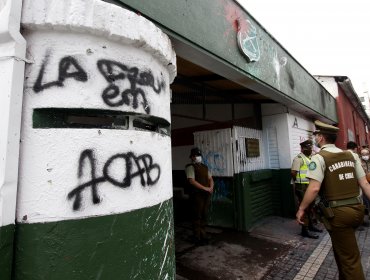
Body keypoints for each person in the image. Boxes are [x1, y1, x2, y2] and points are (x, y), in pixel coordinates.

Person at [296, 120, 370, 280]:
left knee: (350, 260)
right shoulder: (352, 155)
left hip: (338, 215)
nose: (315, 139)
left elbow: (314, 188)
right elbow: (364, 183)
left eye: (316, 136)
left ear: (321, 138)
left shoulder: (319, 158)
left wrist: (301, 208)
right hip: (357, 210)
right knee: (341, 252)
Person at [291, 139, 322, 238]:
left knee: (311, 207)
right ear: (302, 148)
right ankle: (305, 230)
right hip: (302, 186)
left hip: (309, 185)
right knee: (305, 207)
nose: (309, 149)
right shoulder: (298, 158)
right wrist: (298, 183)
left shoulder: (309, 158)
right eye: (307, 148)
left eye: (310, 147)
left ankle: (311, 226)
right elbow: (293, 173)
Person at [185, 147, 214, 245]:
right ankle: (197, 236)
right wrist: (205, 188)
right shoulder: (190, 167)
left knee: (204, 214)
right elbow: (191, 181)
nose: (197, 157)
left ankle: (203, 234)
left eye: (199, 155)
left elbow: (210, 179)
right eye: (196, 155)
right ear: (192, 157)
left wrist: (211, 187)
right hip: (196, 195)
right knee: (197, 215)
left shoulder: (205, 167)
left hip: (206, 195)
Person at [360, 148, 370, 218]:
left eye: (366, 154)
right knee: (365, 197)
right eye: (363, 154)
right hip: (364, 181)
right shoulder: (359, 162)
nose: (365, 156)